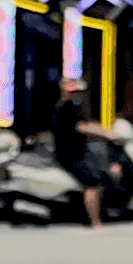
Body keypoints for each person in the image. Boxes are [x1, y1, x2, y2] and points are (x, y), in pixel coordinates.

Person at [51, 76, 103, 227]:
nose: (77, 94)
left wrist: (101, 128)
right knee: (92, 182)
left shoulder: (70, 107)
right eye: (74, 91)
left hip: (76, 154)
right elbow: (81, 127)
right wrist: (107, 133)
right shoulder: (65, 108)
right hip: (70, 156)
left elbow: (85, 123)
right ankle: (95, 222)